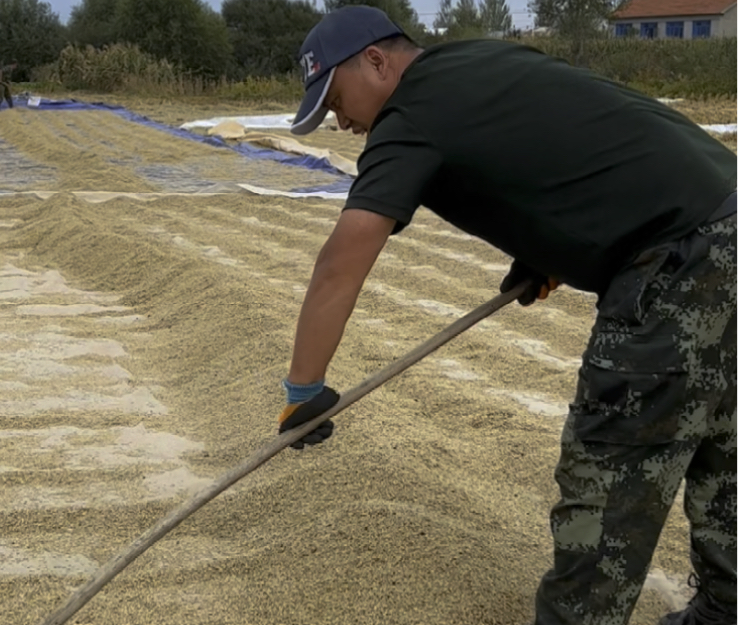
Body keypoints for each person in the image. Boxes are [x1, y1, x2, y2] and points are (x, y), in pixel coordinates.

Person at [276, 6, 736, 625]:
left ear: (377, 62)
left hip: (681, 255)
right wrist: (551, 248)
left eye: (335, 100)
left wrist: (303, 392)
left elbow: (343, 259)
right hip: (727, 214)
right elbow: (564, 139)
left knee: (611, 469)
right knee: (723, 438)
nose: (341, 121)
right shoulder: (478, 58)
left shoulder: (408, 114)